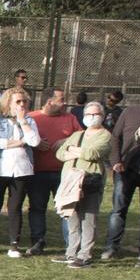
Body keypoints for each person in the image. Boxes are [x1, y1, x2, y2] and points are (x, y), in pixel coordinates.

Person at [105, 81, 140, 261]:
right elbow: (115, 136)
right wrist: (116, 161)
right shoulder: (129, 112)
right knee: (118, 209)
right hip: (126, 168)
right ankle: (111, 247)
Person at [56, 98, 113, 268]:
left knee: (88, 217)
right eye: (88, 114)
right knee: (72, 217)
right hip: (70, 182)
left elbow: (93, 153)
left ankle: (85, 254)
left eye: (95, 114)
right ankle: (71, 252)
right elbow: (60, 153)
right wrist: (77, 152)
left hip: (90, 180)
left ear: (102, 116)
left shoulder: (105, 135)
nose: (91, 117)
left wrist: (72, 151)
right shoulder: (77, 134)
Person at [0, 88, 39, 256]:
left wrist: (23, 122)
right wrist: (19, 142)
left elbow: (34, 141)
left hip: (22, 170)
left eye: (24, 102)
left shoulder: (29, 120)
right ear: (8, 103)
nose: (21, 105)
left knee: (15, 207)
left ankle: (14, 244)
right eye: (17, 102)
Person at [25, 88, 79, 257]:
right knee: (37, 208)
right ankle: (37, 242)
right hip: (38, 172)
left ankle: (71, 245)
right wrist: (35, 143)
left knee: (67, 209)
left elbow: (83, 136)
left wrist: (67, 140)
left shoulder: (70, 118)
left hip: (64, 173)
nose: (64, 103)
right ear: (50, 102)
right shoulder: (32, 118)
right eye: (61, 100)